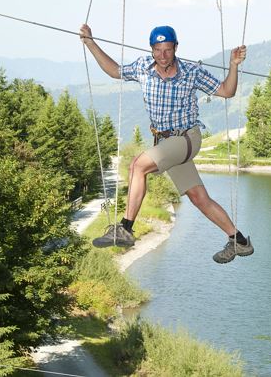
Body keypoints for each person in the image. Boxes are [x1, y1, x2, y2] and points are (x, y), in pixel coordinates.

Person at [79, 23, 254, 264]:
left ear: (176, 48)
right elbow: (114, 71)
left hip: (187, 138)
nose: (163, 56)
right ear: (151, 49)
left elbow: (227, 91)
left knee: (137, 166)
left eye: (168, 50)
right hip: (167, 143)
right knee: (198, 198)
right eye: (158, 50)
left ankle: (125, 228)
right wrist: (90, 43)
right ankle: (239, 241)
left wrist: (233, 65)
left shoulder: (191, 72)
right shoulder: (142, 67)